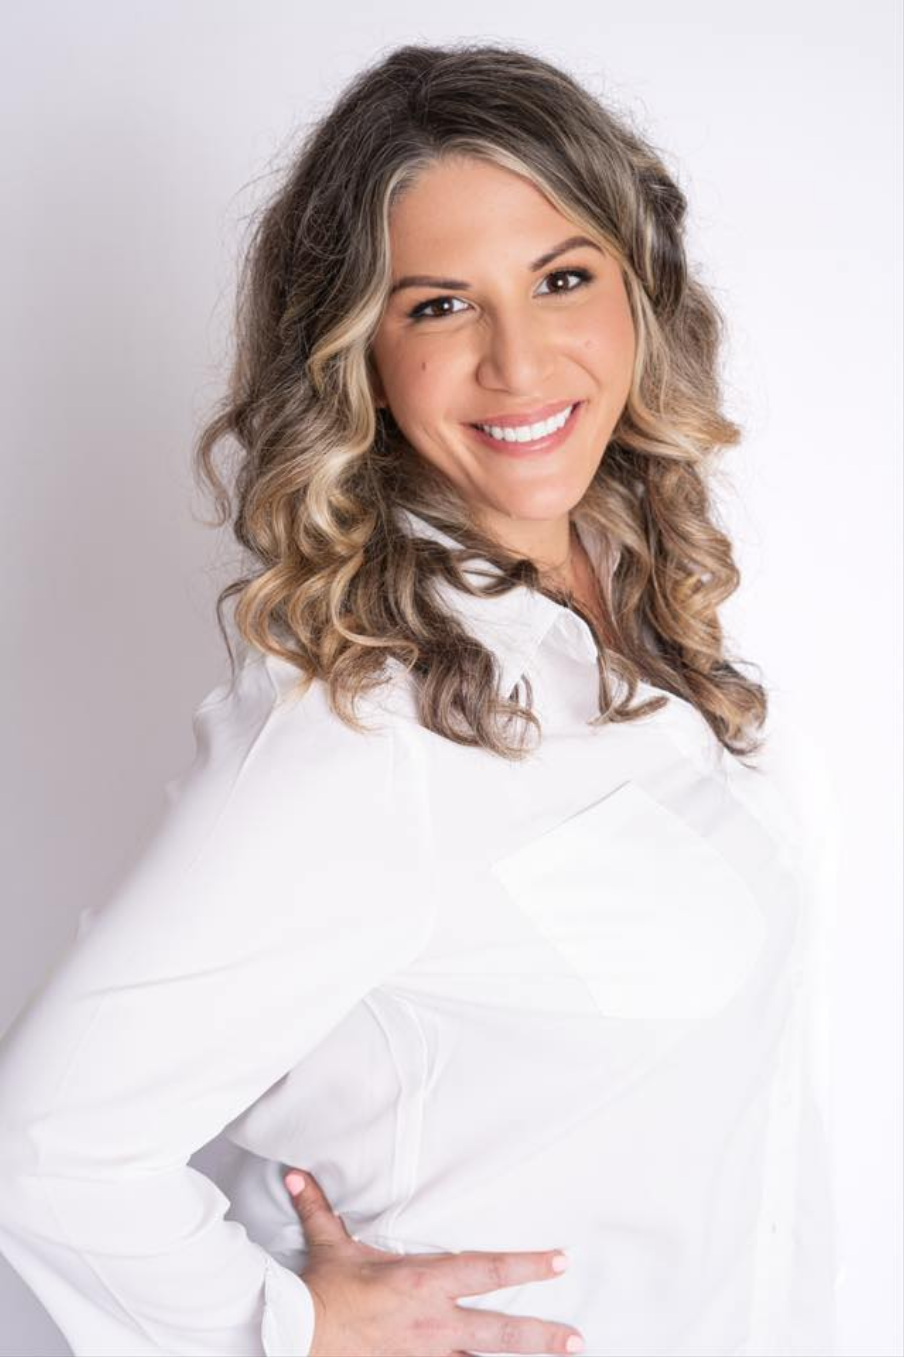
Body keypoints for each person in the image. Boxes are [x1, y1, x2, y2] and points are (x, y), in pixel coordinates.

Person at [0, 40, 841, 1358]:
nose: (519, 361)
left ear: (637, 290)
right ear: (358, 353)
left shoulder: (620, 592)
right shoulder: (359, 727)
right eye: (441, 306)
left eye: (561, 278)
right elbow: (43, 1149)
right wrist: (284, 1326)